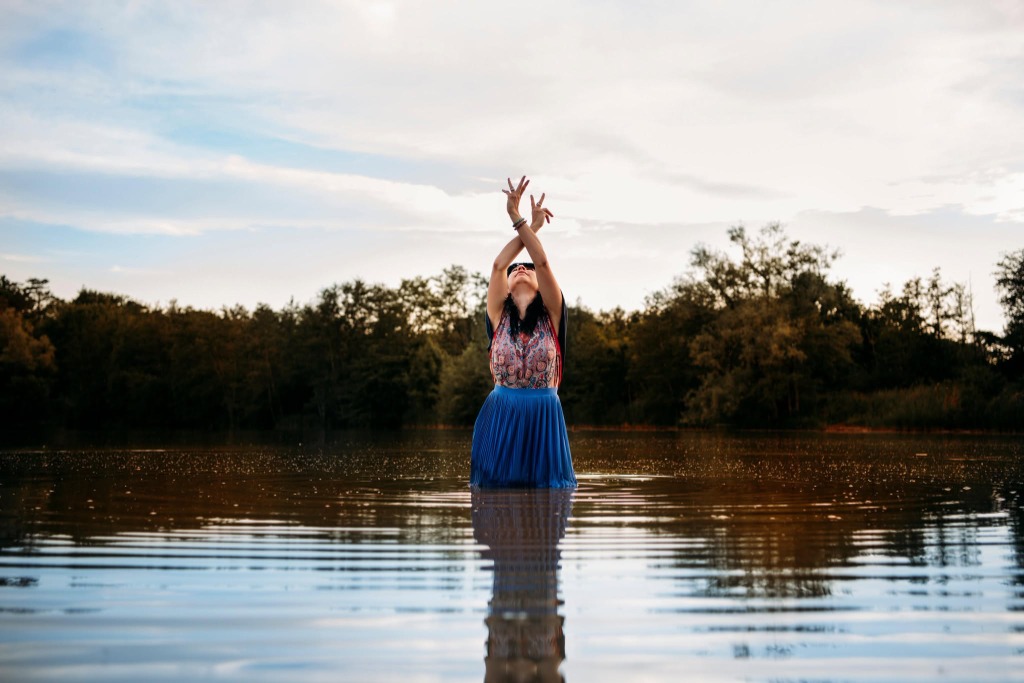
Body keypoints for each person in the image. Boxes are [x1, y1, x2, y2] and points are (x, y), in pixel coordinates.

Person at [470, 176, 577, 489]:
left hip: (544, 417)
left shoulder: (553, 313)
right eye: (516, 268)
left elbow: (541, 260)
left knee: (550, 496)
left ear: (540, 285)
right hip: (501, 414)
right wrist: (525, 225)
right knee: (493, 495)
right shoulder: (497, 314)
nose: (521, 268)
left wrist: (523, 222)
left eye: (527, 269)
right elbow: (497, 265)